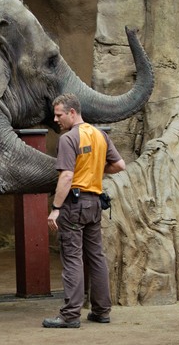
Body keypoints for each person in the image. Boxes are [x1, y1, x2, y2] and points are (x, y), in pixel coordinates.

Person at [43, 93, 126, 329]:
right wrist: (95, 170)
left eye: (59, 115)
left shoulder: (69, 139)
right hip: (94, 203)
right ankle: (101, 311)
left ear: (72, 112)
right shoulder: (100, 135)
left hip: (73, 205)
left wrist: (56, 208)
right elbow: (120, 165)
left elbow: (67, 175)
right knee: (96, 256)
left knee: (72, 259)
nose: (56, 120)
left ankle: (70, 315)